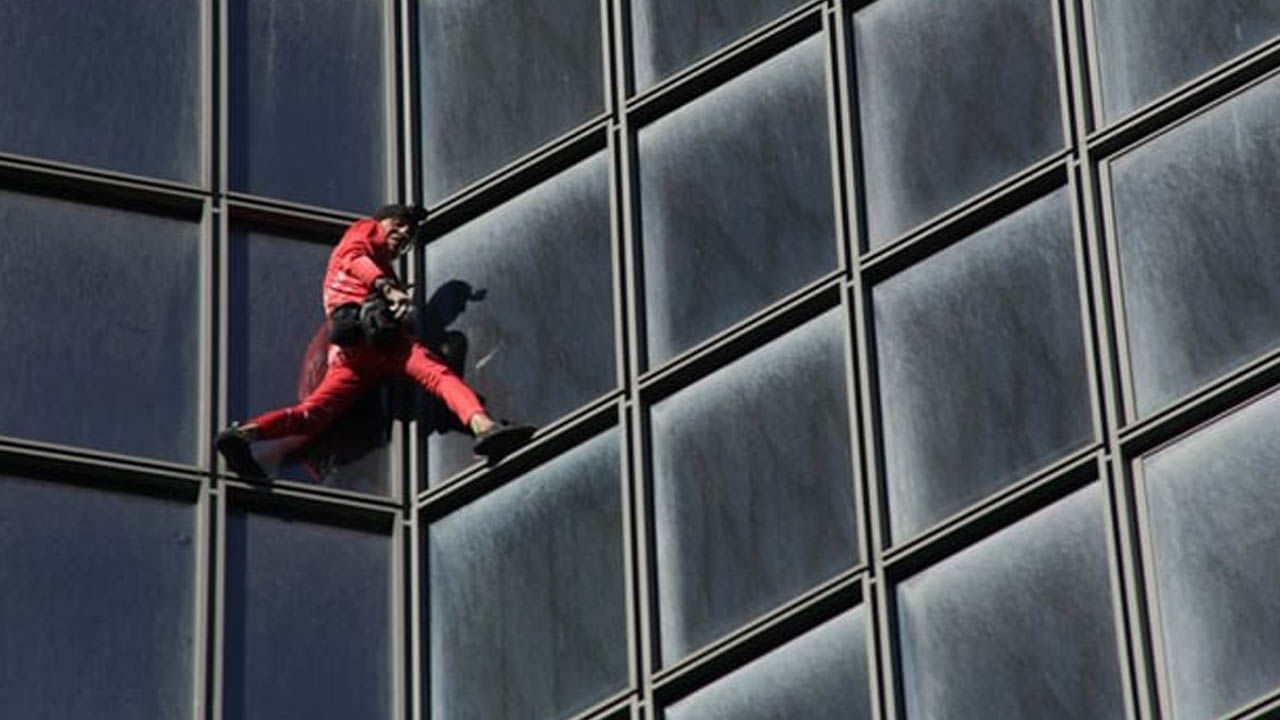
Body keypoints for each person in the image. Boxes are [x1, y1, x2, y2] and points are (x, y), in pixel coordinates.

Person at [215, 204, 533, 480]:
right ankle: (485, 428)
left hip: (353, 353)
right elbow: (355, 257)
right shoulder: (364, 232)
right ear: (383, 222)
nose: (403, 233)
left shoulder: (382, 271)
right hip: (380, 340)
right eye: (399, 224)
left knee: (313, 414)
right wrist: (389, 289)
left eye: (408, 232)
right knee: (439, 377)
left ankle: (245, 435)